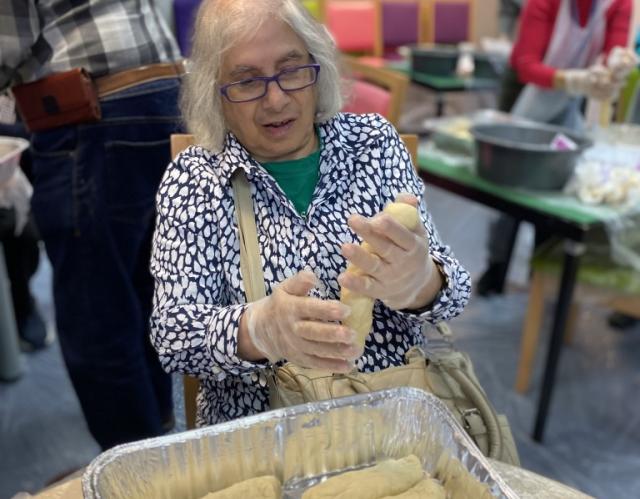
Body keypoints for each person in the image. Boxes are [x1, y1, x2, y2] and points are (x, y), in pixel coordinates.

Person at [150, 0, 471, 426]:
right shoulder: (195, 179)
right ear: (216, 93)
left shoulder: (373, 144)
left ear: (316, 68)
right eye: (247, 81)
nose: (276, 98)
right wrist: (258, 329)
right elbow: (172, 336)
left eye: (291, 70)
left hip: (390, 416)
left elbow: (455, 294)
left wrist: (420, 283)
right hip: (263, 429)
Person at [1, 0, 184, 449]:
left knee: (96, 311)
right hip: (162, 93)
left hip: (90, 111)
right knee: (144, 289)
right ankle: (160, 439)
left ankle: (136, 470)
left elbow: (7, 43)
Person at [476, 0, 637, 296]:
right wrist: (568, 79)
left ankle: (540, 270)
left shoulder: (618, 3)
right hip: (526, 89)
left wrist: (614, 66)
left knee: (556, 180)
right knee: (508, 182)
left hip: (576, 94)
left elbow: (612, 52)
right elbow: (526, 63)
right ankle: (497, 265)